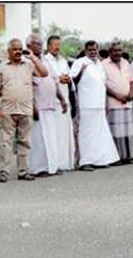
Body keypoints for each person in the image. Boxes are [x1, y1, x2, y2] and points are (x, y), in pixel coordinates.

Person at [0, 38, 48, 182]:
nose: (18, 52)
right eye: (15, 49)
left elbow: (44, 73)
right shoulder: (1, 67)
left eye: (20, 49)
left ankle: (23, 171)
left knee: (25, 141)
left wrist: (33, 57)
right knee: (6, 142)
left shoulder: (29, 65)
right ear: (8, 51)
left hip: (25, 109)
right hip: (7, 110)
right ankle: (3, 173)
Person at [69, 40, 120, 170]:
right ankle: (85, 162)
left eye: (95, 50)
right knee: (86, 134)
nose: (93, 52)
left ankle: (101, 159)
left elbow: (103, 85)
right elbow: (73, 80)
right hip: (86, 104)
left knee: (100, 133)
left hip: (99, 104)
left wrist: (106, 103)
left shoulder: (100, 64)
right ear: (86, 51)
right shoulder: (80, 62)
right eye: (90, 50)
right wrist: (81, 71)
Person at [28, 34, 68, 175]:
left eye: (40, 43)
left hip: (50, 105)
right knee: (39, 139)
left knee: (51, 138)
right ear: (29, 46)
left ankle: (51, 166)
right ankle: (38, 169)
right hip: (38, 106)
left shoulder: (46, 61)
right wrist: (33, 106)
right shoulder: (26, 61)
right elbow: (27, 86)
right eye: (36, 43)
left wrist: (62, 99)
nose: (39, 46)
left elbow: (53, 81)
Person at [43, 35, 76, 171]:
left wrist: (68, 79)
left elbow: (70, 78)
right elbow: (45, 79)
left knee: (64, 133)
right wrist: (58, 79)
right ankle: (55, 163)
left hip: (65, 99)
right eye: (54, 45)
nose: (57, 47)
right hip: (52, 102)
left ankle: (65, 163)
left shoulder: (63, 60)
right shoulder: (45, 61)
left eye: (59, 44)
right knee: (54, 134)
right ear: (49, 46)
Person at [102, 42, 133, 163]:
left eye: (119, 51)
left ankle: (128, 156)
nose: (117, 53)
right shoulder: (104, 64)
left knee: (128, 131)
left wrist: (131, 93)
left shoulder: (125, 62)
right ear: (109, 52)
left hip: (127, 102)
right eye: (115, 51)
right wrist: (117, 95)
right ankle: (117, 157)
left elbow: (131, 80)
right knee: (116, 132)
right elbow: (103, 84)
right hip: (113, 103)